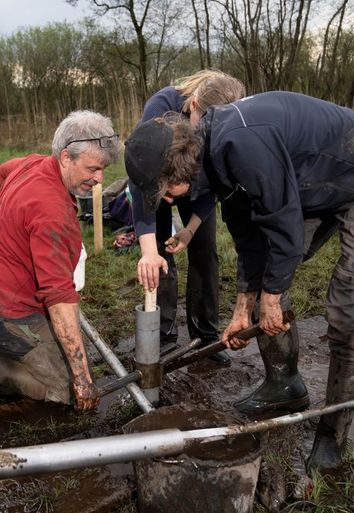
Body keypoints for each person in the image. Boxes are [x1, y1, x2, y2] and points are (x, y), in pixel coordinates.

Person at [124, 92, 354, 472]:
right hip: (312, 186)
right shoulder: (212, 161)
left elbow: (284, 229)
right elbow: (251, 241)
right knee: (270, 280)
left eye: (163, 192)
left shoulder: (242, 144)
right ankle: (285, 385)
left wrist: (272, 299)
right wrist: (243, 309)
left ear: (180, 173)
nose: (164, 200)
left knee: (349, 310)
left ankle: (333, 438)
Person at [0, 110, 119, 411]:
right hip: (5, 314)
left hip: (2, 299)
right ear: (66, 157)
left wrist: (13, 227)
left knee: (71, 353)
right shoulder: (52, 212)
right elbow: (59, 298)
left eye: (102, 169)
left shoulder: (34, 164)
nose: (100, 178)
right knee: (64, 389)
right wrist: (83, 380)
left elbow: (3, 170)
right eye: (92, 168)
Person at [130, 70, 245, 364]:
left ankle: (205, 336)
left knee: (205, 251)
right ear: (193, 105)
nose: (210, 129)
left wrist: (191, 229)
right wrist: (147, 251)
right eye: (205, 121)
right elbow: (140, 173)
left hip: (197, 187)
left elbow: (216, 183)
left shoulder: (225, 124)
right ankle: (164, 332)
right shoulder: (162, 107)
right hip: (158, 184)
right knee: (159, 253)